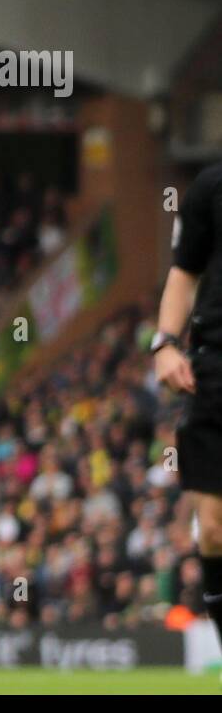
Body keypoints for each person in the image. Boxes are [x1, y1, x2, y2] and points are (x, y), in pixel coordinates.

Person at [153, 160, 222, 654]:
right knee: (215, 530)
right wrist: (164, 344)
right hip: (214, 369)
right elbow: (184, 270)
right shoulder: (210, 186)